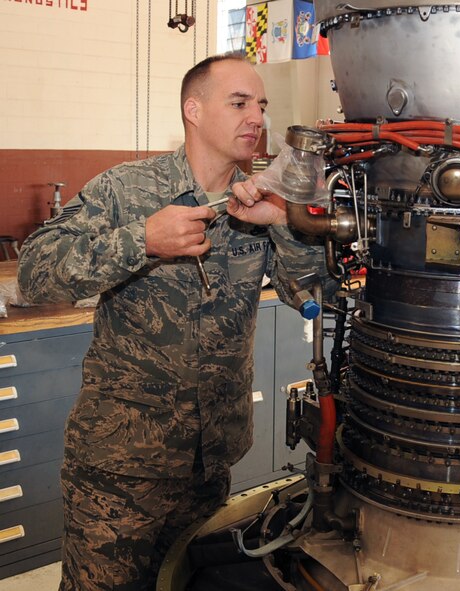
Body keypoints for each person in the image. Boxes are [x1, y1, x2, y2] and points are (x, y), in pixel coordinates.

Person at [17, 54, 335, 590]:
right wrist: (142, 240)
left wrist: (284, 223)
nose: (255, 117)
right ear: (193, 109)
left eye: (260, 105)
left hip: (207, 466)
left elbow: (308, 293)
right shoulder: (128, 190)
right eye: (239, 103)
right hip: (118, 468)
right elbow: (36, 271)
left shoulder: (258, 199)